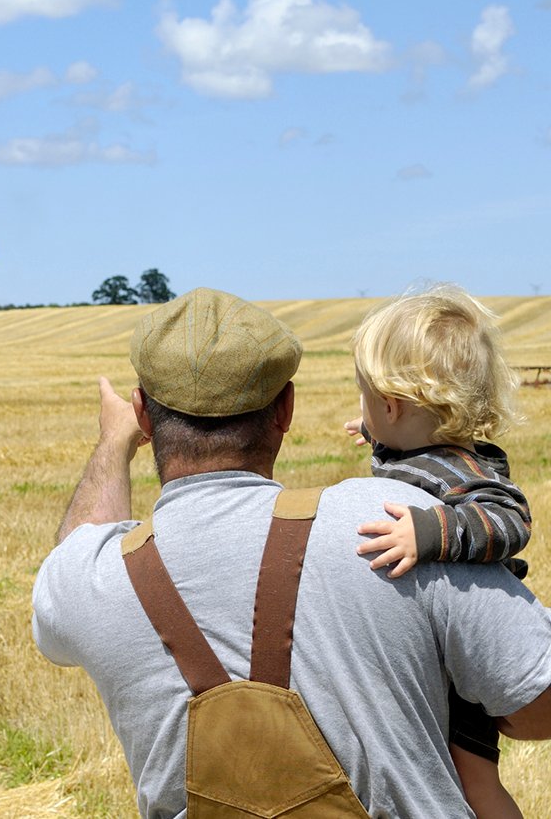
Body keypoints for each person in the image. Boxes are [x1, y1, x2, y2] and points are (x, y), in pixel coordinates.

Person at [31, 287, 551, 818]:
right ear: (286, 408)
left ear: (144, 414)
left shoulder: (97, 578)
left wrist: (114, 442)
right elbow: (540, 704)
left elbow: (77, 546)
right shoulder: (396, 523)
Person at [343, 284, 532, 819]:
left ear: (391, 404)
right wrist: (373, 433)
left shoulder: (464, 470)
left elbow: (508, 519)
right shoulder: (416, 447)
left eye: (366, 399)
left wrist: (429, 533)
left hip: (468, 648)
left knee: (473, 780)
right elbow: (403, 449)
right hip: (436, 645)